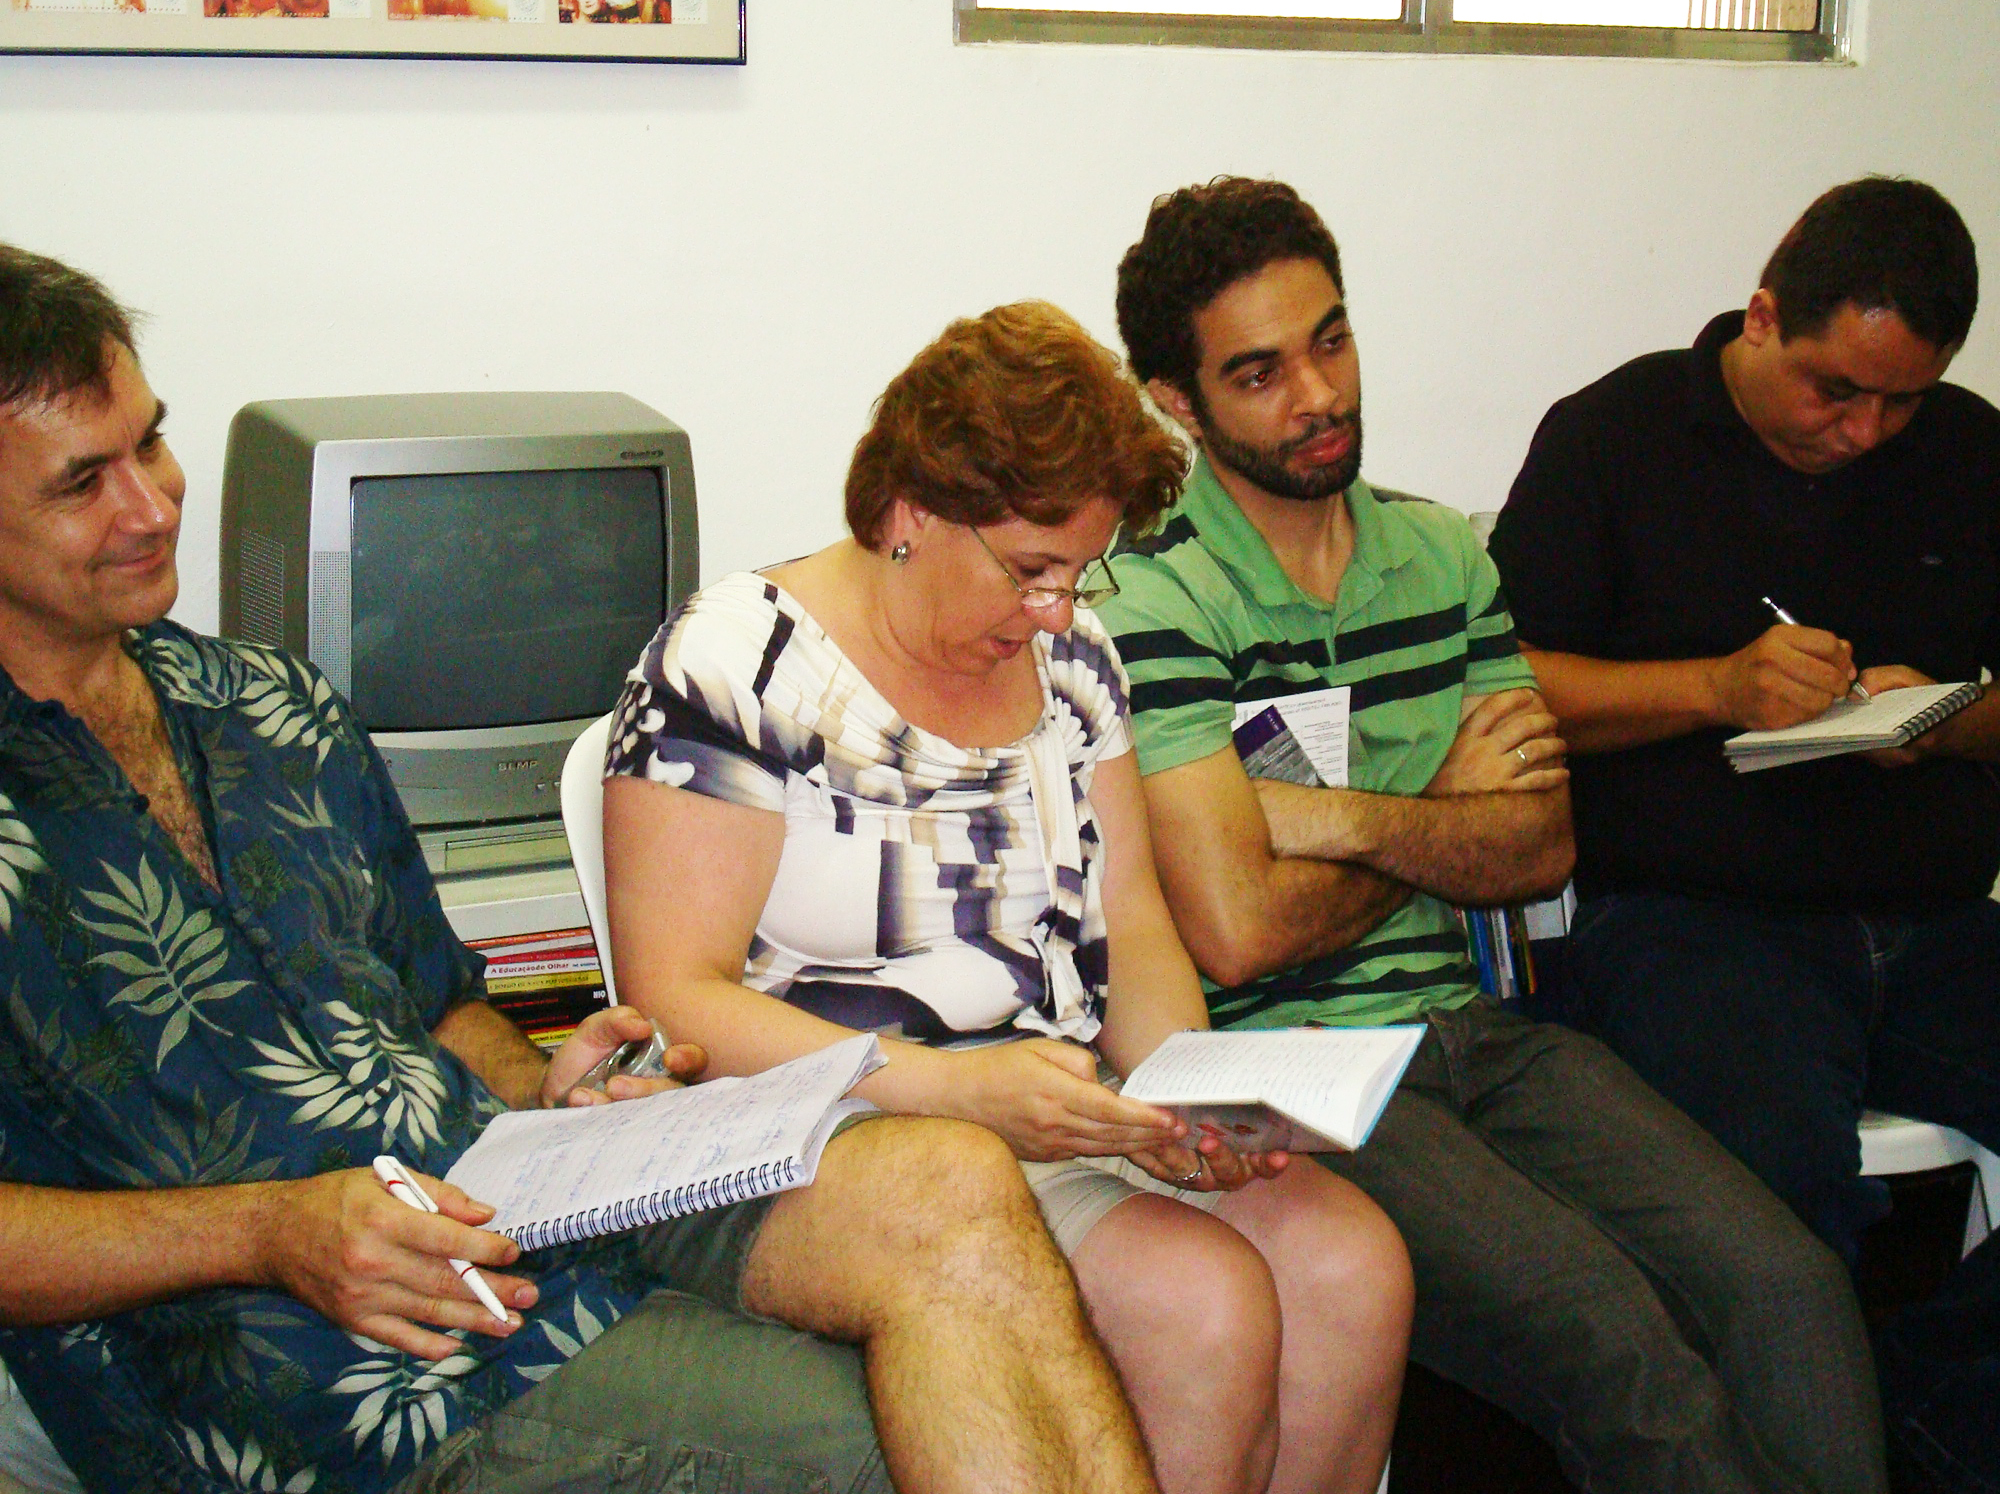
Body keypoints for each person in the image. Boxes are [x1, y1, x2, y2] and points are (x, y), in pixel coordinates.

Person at [0, 243, 1165, 1494]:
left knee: (952, 1181)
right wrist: (266, 1231)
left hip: (526, 1189)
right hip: (314, 1343)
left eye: (151, 442)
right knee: (919, 1419)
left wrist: (551, 1082)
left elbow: (438, 1005)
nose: (152, 506)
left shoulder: (270, 708)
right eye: (84, 481)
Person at [1096, 176, 1886, 1494]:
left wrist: (1340, 820)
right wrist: (1448, 808)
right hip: (1297, 1070)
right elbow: (1238, 933)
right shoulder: (1149, 594)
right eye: (1259, 372)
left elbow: (1540, 848)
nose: (1319, 395)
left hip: (1483, 1037)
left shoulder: (1438, 554)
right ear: (1176, 401)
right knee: (1616, 1341)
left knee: (1784, 1284)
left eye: (1331, 340)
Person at [601, 300, 1413, 1494]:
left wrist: (1190, 1103)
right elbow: (674, 999)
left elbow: (1130, 918)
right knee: (1201, 1301)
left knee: (1353, 1267)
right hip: (839, 1130)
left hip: (1049, 1105)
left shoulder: (1074, 663)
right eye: (1031, 571)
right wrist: (955, 1090)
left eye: (1079, 573)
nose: (1057, 611)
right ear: (909, 514)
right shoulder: (733, 663)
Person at [1485, 174, 2000, 1492]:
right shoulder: (1615, 435)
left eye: (1904, 400)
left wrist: (1949, 722)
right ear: (1763, 316)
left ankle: (1918, 1420)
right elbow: (1502, 686)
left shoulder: (1969, 453)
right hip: (1700, 927)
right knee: (1763, 1218)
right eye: (1837, 390)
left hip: (1939, 922)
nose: (1865, 430)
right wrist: (1713, 687)